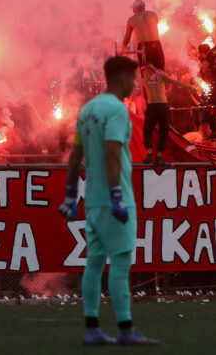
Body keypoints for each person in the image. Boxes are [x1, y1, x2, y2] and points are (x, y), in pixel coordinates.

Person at [58, 56, 158, 346]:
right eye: (134, 78)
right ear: (122, 78)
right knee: (121, 262)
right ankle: (125, 328)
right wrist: (118, 197)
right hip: (115, 196)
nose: (136, 84)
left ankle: (92, 329)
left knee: (94, 261)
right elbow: (113, 152)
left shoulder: (87, 110)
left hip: (92, 199)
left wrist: (70, 195)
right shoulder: (116, 110)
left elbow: (76, 156)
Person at [139, 64, 198, 165]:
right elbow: (175, 82)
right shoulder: (161, 74)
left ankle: (149, 154)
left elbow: (143, 96)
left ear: (146, 70)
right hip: (163, 105)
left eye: (142, 71)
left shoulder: (144, 79)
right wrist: (190, 86)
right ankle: (159, 156)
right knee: (164, 131)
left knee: (147, 130)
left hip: (152, 106)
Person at [122, 0, 164, 70]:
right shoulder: (153, 14)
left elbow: (127, 38)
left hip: (144, 46)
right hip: (157, 45)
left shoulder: (131, 19)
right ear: (144, 7)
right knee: (159, 70)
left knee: (146, 71)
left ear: (135, 9)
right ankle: (159, 80)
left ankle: (148, 80)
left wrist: (123, 48)